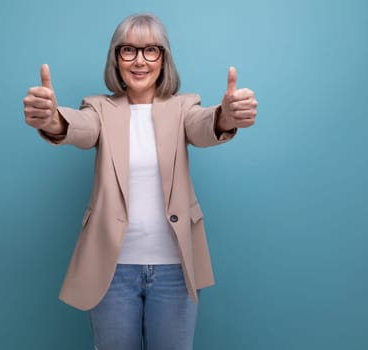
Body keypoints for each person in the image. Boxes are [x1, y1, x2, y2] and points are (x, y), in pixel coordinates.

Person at [23, 13, 257, 350]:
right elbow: (80, 128)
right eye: (128, 50)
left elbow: (204, 125)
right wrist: (52, 119)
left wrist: (226, 115)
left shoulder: (183, 107)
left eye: (151, 50)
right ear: (116, 59)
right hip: (112, 271)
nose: (139, 60)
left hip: (175, 271)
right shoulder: (99, 108)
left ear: (164, 58)